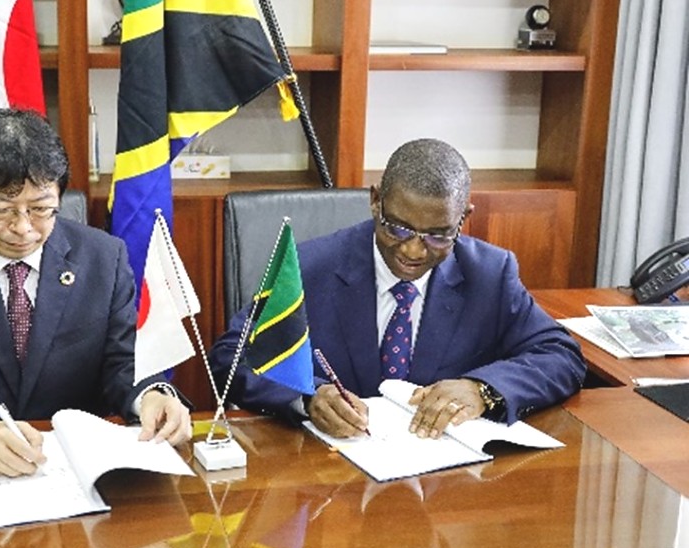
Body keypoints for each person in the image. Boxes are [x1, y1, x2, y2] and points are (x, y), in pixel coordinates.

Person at [0, 108, 191, 476]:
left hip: (73, 469)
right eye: (0, 210)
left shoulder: (104, 258)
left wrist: (151, 396)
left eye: (42, 209)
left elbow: (123, 361)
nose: (23, 228)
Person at [211, 138, 585, 439]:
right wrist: (308, 398)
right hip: (332, 485)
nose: (413, 250)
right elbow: (232, 356)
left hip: (445, 482)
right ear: (376, 202)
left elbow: (560, 355)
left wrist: (482, 389)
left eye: (438, 235)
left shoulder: (490, 274)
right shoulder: (311, 268)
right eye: (398, 228)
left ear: (463, 219)